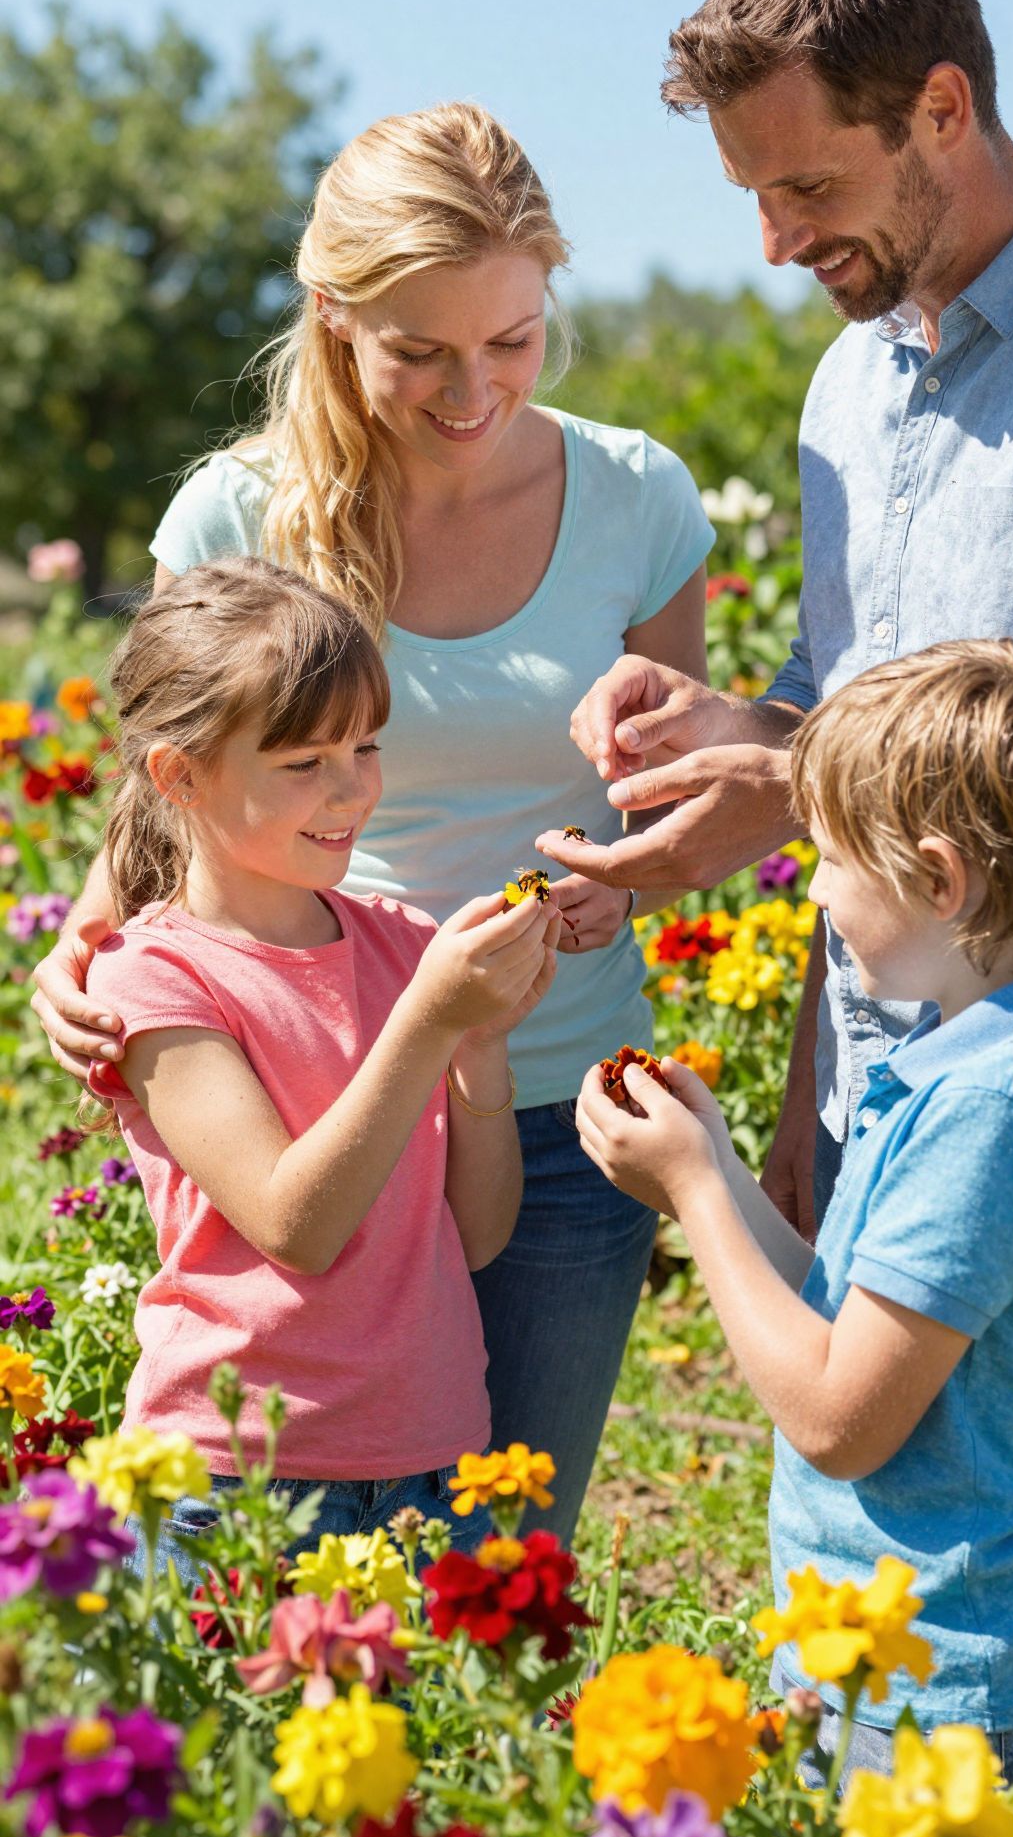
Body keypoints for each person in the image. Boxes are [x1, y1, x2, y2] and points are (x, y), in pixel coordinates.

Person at [539, 0, 1013, 1614]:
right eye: (749, 190)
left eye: (803, 187)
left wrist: (790, 778)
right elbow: (846, 713)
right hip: (883, 1108)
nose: (767, 238)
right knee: (904, 1632)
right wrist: (725, 753)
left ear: (940, 111)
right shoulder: (845, 391)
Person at [31, 102, 712, 1543]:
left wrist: (631, 881)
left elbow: (674, 805)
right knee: (280, 1551)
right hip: (300, 1103)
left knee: (498, 1581)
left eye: (513, 341)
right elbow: (167, 793)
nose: (476, 390)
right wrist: (77, 953)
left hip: (556, 1101)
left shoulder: (638, 498)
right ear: (335, 320)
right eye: (420, 351)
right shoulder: (238, 511)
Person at [575, 640, 1013, 1779]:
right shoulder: (992, 1059)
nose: (818, 891)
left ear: (941, 881)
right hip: (923, 1656)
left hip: (947, 1693)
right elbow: (852, 1321)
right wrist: (726, 1168)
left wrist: (694, 1194)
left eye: (832, 859)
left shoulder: (996, 1111)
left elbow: (841, 1415)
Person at [84, 558, 559, 1584]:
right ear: (182, 775)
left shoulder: (400, 943)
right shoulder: (155, 975)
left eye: (366, 746)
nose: (351, 789)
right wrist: (433, 1021)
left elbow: (476, 1235)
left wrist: (479, 1047)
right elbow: (297, 1223)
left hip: (435, 1469)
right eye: (303, 761)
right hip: (232, 1478)